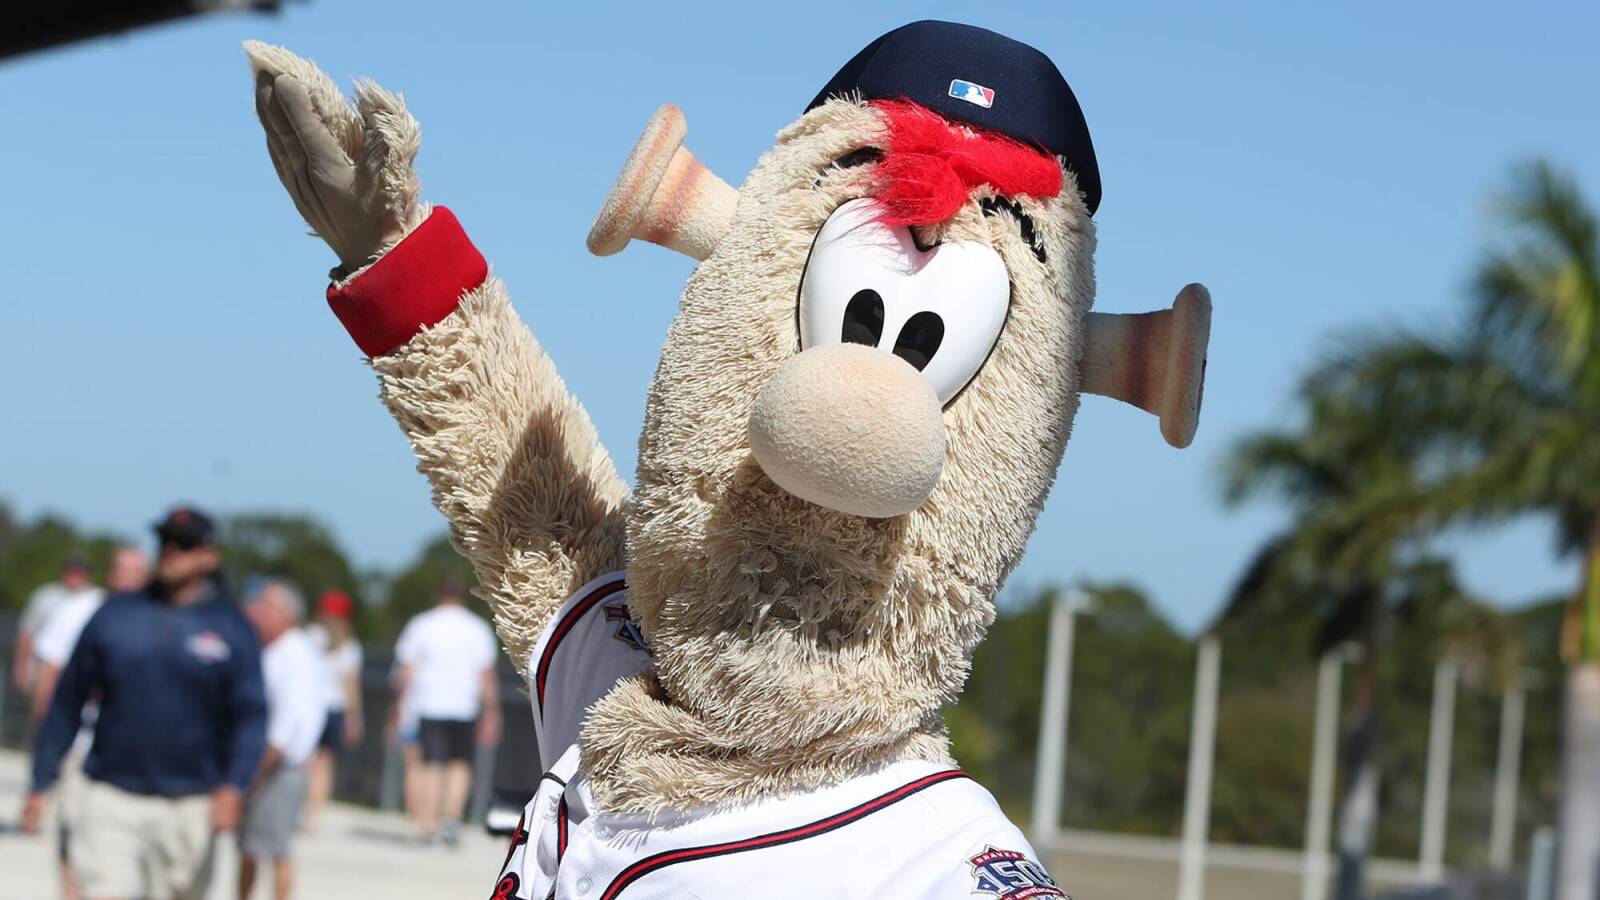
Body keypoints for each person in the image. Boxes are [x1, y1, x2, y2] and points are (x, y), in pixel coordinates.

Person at [22, 506, 267, 900]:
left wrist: (234, 787)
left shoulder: (231, 628)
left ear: (209, 556)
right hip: (112, 795)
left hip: (191, 802)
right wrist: (40, 781)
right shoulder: (116, 615)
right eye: (165, 541)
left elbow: (251, 717)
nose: (171, 551)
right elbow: (67, 701)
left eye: (184, 545)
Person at [27, 544, 148, 900]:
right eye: (119, 568)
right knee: (73, 836)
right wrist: (45, 738)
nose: (124, 576)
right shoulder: (79, 611)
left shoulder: (161, 618)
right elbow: (52, 671)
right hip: (81, 746)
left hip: (133, 753)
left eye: (133, 570)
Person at [389, 578, 500, 846]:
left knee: (431, 764)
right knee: (460, 764)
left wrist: (397, 708)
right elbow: (486, 674)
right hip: (464, 705)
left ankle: (427, 824)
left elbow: (406, 670)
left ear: (439, 595)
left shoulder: (421, 624)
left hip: (429, 703)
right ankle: (451, 819)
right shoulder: (477, 628)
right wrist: (492, 712)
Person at [239, 580, 326, 900]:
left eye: (266, 606)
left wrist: (257, 768)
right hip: (266, 761)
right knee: (248, 846)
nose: (257, 611)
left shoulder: (295, 654)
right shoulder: (271, 650)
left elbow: (287, 725)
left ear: (286, 614)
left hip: (279, 766)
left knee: (277, 848)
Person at [301, 589, 363, 832]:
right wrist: (354, 718)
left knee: (305, 762)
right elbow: (351, 686)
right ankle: (314, 816)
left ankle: (304, 810)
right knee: (324, 766)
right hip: (334, 709)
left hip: (310, 706)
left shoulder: (309, 636)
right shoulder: (349, 645)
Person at [12, 554, 101, 692]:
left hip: (78, 667)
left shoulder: (97, 599)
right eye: (72, 572)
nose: (76, 576)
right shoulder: (45, 596)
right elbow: (27, 633)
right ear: (63, 572)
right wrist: (21, 668)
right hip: (42, 664)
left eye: (80, 572)